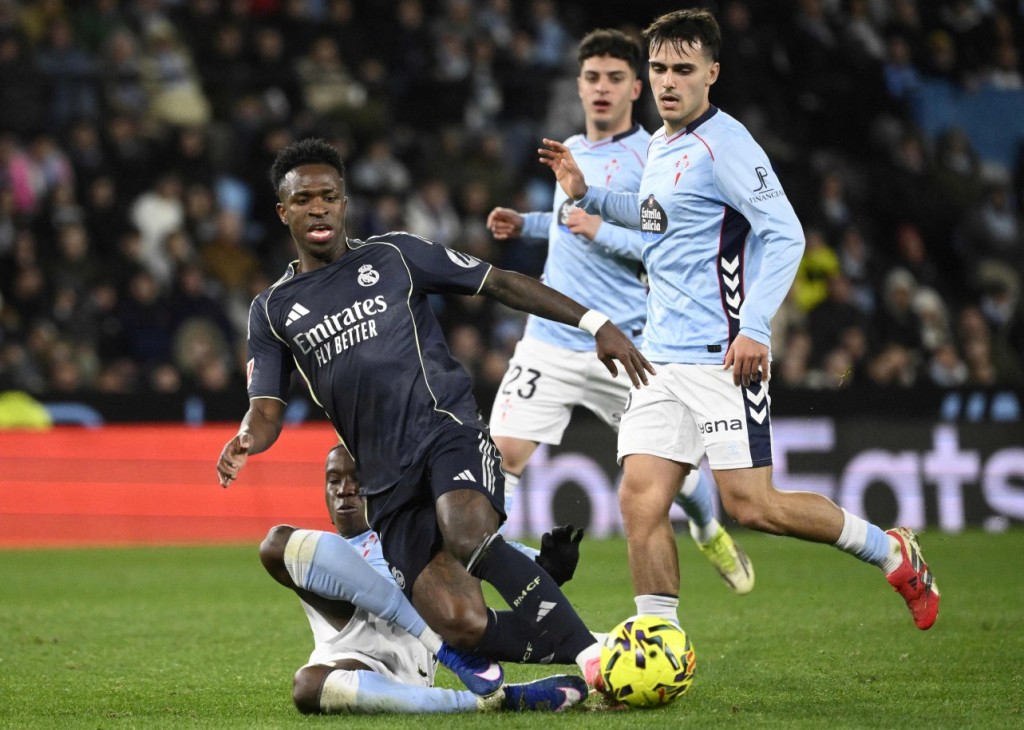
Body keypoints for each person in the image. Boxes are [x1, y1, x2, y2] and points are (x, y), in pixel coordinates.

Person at [538, 8, 939, 633]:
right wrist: (585, 192)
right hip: (657, 358)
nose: (668, 81)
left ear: (712, 74)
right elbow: (655, 219)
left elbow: (786, 235)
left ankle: (893, 551)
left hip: (721, 355)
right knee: (640, 500)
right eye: (659, 67)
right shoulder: (666, 143)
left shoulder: (727, 147)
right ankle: (658, 642)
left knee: (753, 507)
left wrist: (756, 327)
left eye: (683, 69)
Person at [216, 138, 654, 697]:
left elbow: (498, 282)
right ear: (284, 211)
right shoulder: (273, 309)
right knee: (459, 621)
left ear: (345, 202)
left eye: (329, 196)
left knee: (468, 531)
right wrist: (247, 438)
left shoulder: (395, 255)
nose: (318, 208)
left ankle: (596, 661)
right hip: (386, 479)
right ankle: (601, 644)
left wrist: (595, 323)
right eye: (304, 200)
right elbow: (267, 409)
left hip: (446, 431)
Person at [486, 28, 753, 595]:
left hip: (625, 344)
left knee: (671, 476)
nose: (601, 89)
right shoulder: (571, 151)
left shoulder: (652, 156)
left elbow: (666, 245)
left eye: (613, 79)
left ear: (637, 87)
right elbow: (568, 226)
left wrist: (604, 229)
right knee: (502, 454)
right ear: (578, 86)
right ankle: (510, 568)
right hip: (552, 339)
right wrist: (528, 223)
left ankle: (709, 528)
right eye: (591, 78)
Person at [259, 444, 589, 714]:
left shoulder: (421, 534)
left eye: (356, 480)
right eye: (334, 481)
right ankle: (492, 700)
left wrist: (549, 567)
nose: (344, 490)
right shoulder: (320, 556)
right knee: (307, 684)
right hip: (355, 665)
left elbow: (506, 562)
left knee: (452, 553)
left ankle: (606, 655)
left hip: (410, 672)